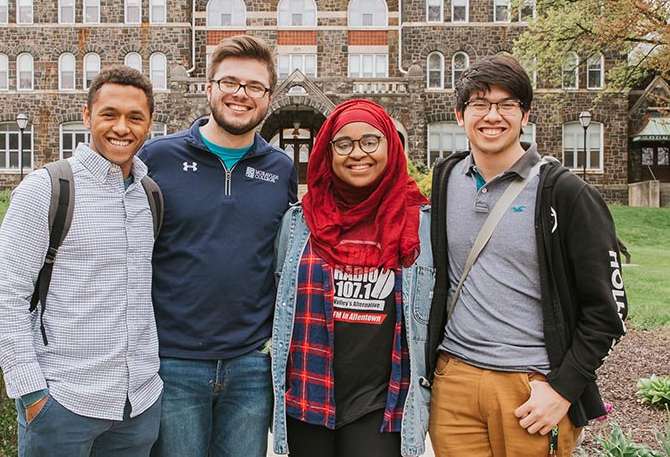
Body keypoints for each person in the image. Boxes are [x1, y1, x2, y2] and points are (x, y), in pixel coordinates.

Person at [425, 55, 627, 457]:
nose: (492, 116)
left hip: (531, 388)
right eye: (480, 104)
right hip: (454, 382)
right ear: (460, 114)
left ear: (526, 113)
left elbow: (610, 310)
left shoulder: (565, 193)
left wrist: (564, 388)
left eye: (506, 104)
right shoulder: (446, 178)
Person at [136, 34, 298, 457]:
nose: (241, 95)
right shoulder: (157, 158)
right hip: (172, 364)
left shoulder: (280, 169)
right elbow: (99, 208)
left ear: (268, 98)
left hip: (250, 366)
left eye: (254, 87)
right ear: (209, 87)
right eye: (230, 82)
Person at [0, 66, 161, 457]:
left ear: (149, 123)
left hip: (139, 405)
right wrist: (33, 394)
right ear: (87, 117)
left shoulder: (148, 195)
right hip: (63, 404)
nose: (122, 127)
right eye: (109, 114)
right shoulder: (47, 188)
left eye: (135, 117)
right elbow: (6, 301)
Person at [269, 99, 433, 457]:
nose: (357, 153)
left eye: (370, 141)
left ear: (390, 145)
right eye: (343, 144)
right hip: (308, 396)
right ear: (328, 153)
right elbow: (277, 295)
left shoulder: (421, 225)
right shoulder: (299, 222)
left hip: (381, 405)